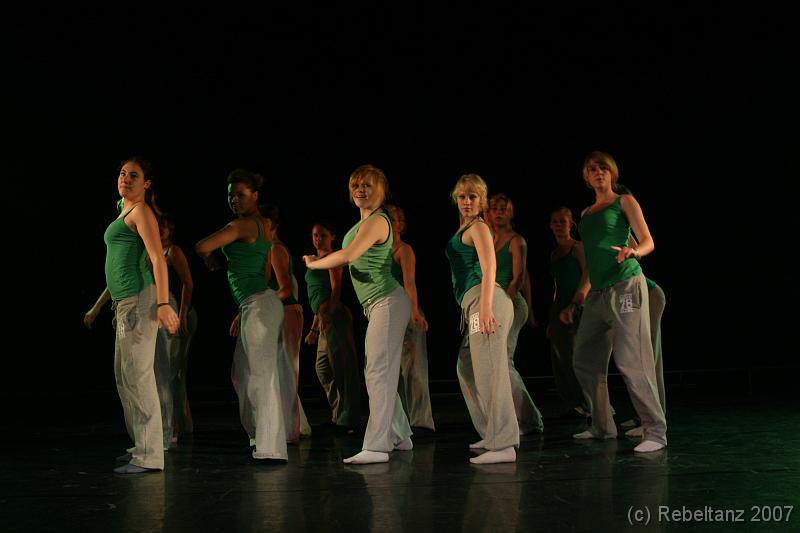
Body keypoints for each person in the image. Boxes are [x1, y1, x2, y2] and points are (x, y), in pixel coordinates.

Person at [303, 164, 412, 465]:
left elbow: (349, 255)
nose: (361, 190)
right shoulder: (362, 224)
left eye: (367, 185)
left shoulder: (378, 220)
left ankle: (377, 446)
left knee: (377, 372)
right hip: (378, 304)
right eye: (356, 185)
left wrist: (313, 264)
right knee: (381, 371)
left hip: (388, 301)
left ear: (382, 191)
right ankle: (401, 435)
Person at [561, 151, 666, 453]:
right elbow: (591, 264)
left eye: (603, 169)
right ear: (586, 177)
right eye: (592, 169)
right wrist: (578, 298)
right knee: (584, 359)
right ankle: (602, 426)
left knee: (632, 359)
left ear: (612, 173)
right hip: (598, 294)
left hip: (625, 285)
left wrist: (635, 252)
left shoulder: (624, 201)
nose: (598, 173)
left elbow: (648, 241)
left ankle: (655, 431)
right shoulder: (585, 214)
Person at [85, 156, 179, 474]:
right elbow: (117, 267)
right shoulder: (123, 209)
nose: (125, 179)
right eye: (123, 174)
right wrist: (98, 307)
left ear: (146, 183)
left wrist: (163, 303)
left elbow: (158, 258)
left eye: (134, 175)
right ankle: (141, 445)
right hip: (124, 302)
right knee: (124, 377)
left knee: (138, 376)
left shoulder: (141, 211)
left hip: (141, 299)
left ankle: (150, 455)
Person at [196, 168, 287, 462]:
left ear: (255, 196)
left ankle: (271, 448)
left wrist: (209, 257)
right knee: (242, 375)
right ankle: (258, 436)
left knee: (260, 376)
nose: (234, 200)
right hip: (255, 303)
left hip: (259, 305)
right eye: (230, 195)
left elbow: (202, 245)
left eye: (240, 195)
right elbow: (263, 272)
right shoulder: (262, 225)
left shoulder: (244, 224)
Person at [445, 174, 518, 464]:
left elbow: (490, 268)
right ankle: (491, 432)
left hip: (486, 301)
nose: (466, 201)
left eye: (472, 197)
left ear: (482, 201)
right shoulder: (465, 228)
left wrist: (486, 308)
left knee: (490, 371)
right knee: (466, 367)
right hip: (474, 303)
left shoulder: (478, 227)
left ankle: (503, 444)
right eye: (462, 196)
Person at [486, 193, 543, 434]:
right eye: (494, 208)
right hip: (492, 304)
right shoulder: (488, 239)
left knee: (504, 361)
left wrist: (503, 305)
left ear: (510, 213)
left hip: (510, 303)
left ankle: (529, 419)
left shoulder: (516, 241)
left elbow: (519, 277)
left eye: (503, 208)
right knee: (493, 362)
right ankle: (507, 418)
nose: (499, 212)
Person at [304, 220, 362, 431]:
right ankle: (339, 414)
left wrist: (329, 314)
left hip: (334, 315)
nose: (318, 239)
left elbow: (335, 289)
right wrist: (314, 328)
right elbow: (317, 297)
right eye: (315, 235)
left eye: (323, 235)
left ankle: (349, 419)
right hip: (323, 317)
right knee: (323, 369)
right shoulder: (315, 261)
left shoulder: (332, 258)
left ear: (332, 237)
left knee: (342, 367)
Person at [262, 205, 312, 442]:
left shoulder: (275, 248)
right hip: (279, 312)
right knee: (278, 372)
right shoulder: (268, 249)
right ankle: (292, 426)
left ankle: (290, 430)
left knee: (285, 372)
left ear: (272, 224)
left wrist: (260, 305)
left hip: (285, 312)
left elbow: (285, 289)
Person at [385, 204, 435, 431]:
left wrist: (414, 311)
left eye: (394, 219)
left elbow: (410, 283)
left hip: (407, 313)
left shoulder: (403, 250)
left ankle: (421, 422)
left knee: (413, 369)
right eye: (386, 218)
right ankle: (400, 422)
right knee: (392, 372)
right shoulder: (378, 252)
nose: (390, 223)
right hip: (388, 316)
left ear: (401, 225)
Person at [154, 213, 198, 448]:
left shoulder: (172, 252)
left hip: (178, 312)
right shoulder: (152, 251)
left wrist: (181, 315)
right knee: (172, 373)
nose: (161, 230)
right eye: (158, 226)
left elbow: (188, 284)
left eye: (165, 227)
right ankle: (181, 423)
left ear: (170, 230)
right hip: (164, 313)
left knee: (172, 372)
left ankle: (173, 428)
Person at [546, 206, 590, 417]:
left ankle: (590, 403)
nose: (558, 225)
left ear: (570, 224)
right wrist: (552, 319)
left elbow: (588, 276)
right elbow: (556, 285)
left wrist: (576, 303)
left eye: (562, 221)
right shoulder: (554, 254)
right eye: (554, 221)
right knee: (560, 356)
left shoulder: (577, 247)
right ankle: (572, 402)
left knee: (577, 356)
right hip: (559, 306)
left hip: (577, 304)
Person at [623, 277, 666, 437]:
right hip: (634, 297)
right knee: (639, 360)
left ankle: (653, 420)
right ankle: (642, 418)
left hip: (649, 296)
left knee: (648, 362)